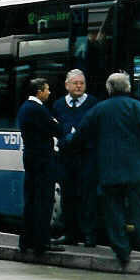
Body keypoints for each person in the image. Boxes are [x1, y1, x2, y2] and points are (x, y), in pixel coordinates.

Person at [63, 72, 140, 270]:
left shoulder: (99, 109)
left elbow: (80, 136)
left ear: (109, 89)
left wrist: (66, 145)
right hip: (139, 171)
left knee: (114, 212)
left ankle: (122, 251)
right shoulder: (139, 108)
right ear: (128, 88)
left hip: (110, 171)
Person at [50, 69, 99, 246]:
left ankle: (89, 234)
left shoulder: (93, 103)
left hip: (86, 157)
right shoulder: (58, 105)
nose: (79, 86)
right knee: (68, 195)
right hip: (66, 158)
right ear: (67, 85)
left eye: (82, 83)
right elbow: (55, 128)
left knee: (87, 196)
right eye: (75, 83)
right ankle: (71, 233)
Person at [17, 78, 65, 256]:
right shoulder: (38, 109)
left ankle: (27, 241)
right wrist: (55, 123)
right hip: (43, 160)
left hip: (31, 158)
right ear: (39, 91)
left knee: (31, 200)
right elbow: (58, 129)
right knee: (44, 201)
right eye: (47, 89)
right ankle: (42, 242)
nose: (49, 92)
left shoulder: (25, 108)